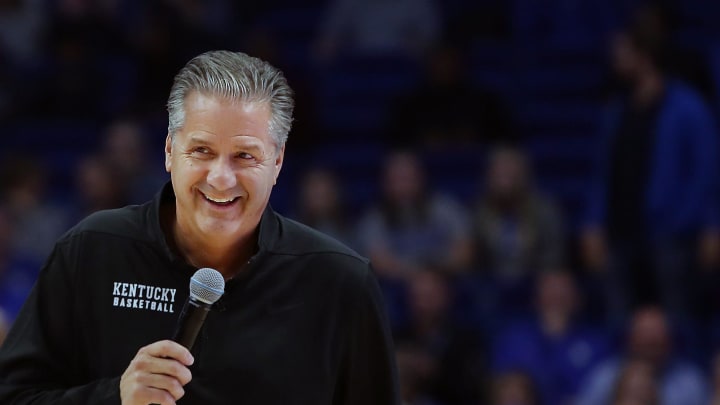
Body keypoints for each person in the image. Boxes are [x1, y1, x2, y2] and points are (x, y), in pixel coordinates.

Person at [0, 50, 399, 404]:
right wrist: (114, 397)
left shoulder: (341, 282)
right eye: (202, 151)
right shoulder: (91, 250)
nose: (221, 178)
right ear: (170, 151)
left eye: (245, 155)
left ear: (277, 162)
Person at [581, 5, 720, 324]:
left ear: (644, 56)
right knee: (619, 318)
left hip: (673, 236)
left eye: (622, 51)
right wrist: (593, 222)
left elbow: (708, 174)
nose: (614, 58)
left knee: (677, 317)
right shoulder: (616, 111)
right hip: (620, 233)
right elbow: (603, 173)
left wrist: (711, 225)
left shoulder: (688, 108)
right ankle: (625, 375)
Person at [576, 306, 708, 405]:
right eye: (644, 334)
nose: (650, 340)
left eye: (657, 335)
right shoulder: (605, 375)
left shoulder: (690, 380)